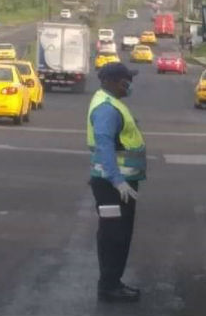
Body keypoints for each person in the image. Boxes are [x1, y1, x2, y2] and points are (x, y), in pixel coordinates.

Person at [87, 62, 147, 302]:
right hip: (113, 187)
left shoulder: (109, 102)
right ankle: (110, 286)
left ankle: (113, 282)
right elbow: (104, 145)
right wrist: (118, 181)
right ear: (110, 81)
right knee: (114, 236)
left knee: (118, 234)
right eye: (125, 80)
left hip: (114, 183)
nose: (129, 84)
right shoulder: (106, 109)